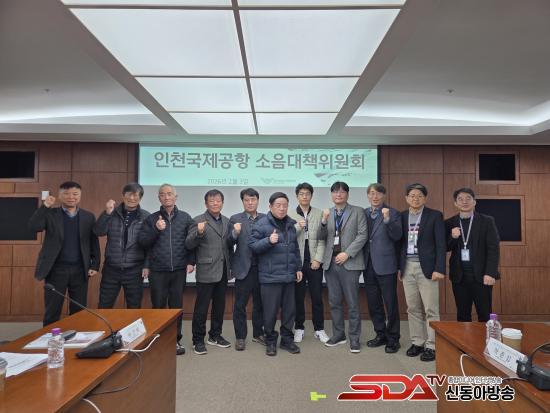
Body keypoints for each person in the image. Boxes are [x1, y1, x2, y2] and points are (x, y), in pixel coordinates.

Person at [28, 181, 100, 326]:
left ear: (80, 195)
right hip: (55, 269)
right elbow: (33, 226)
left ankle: (77, 337)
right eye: (66, 194)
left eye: (75, 194)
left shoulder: (88, 216)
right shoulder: (50, 213)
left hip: (80, 269)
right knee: (52, 310)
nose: (71, 197)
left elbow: (93, 242)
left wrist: (95, 264)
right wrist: (45, 206)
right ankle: (51, 337)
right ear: (60, 196)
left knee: (79, 310)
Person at [139, 184, 194, 355]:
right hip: (157, 270)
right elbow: (143, 243)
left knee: (176, 306)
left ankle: (175, 340)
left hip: (178, 269)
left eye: (169, 194)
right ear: (159, 198)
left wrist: (191, 261)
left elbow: (191, 243)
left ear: (176, 197)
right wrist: (156, 229)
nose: (166, 197)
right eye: (162, 194)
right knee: (158, 305)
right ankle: (158, 340)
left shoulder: (185, 218)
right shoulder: (152, 219)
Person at [249, 192, 303, 356]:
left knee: (289, 312)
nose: (282, 208)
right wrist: (268, 241)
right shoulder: (261, 224)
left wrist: (298, 268)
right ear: (270, 206)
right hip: (270, 277)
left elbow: (295, 249)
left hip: (289, 276)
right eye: (278, 205)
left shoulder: (291, 224)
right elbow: (253, 246)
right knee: (270, 313)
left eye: (284, 205)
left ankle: (287, 340)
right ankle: (271, 341)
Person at [317, 181, 367, 353]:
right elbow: (321, 236)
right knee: (334, 302)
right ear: (331, 195)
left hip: (350, 263)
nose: (338, 195)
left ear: (347, 194)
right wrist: (323, 221)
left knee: (352, 303)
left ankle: (354, 338)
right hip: (331, 263)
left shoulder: (358, 211)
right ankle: (339, 335)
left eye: (342, 192)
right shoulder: (328, 213)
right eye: (335, 192)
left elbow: (362, 235)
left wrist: (347, 253)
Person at [399, 183, 446, 362]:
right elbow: (400, 244)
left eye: (419, 195)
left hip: (427, 268)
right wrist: (400, 267)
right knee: (412, 308)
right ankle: (417, 342)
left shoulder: (435, 216)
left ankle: (432, 345)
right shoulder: (402, 216)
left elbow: (441, 244)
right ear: (406, 198)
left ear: (425, 198)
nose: (415, 199)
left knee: (431, 309)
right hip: (407, 267)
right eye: (412, 195)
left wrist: (439, 269)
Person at [186, 189, 233, 355]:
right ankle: (198, 340)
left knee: (219, 306)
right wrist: (199, 233)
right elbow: (188, 244)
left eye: (218, 200)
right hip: (206, 270)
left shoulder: (227, 221)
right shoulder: (198, 220)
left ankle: (215, 335)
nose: (215, 203)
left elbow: (228, 246)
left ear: (222, 203)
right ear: (206, 204)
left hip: (223, 270)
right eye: (211, 201)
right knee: (202, 307)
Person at [445, 188, 500, 322]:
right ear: (455, 203)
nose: (464, 202)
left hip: (482, 276)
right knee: (463, 315)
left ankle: (486, 337)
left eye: (468, 198)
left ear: (474, 202)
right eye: (460, 199)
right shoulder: (449, 223)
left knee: (485, 314)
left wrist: (490, 273)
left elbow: (493, 249)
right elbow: (445, 247)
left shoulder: (487, 221)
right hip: (459, 277)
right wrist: (453, 237)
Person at [94, 183, 150, 309]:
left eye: (135, 195)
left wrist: (147, 265)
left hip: (135, 270)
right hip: (111, 269)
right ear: (123, 195)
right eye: (129, 195)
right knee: (104, 306)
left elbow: (149, 244)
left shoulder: (146, 216)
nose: (132, 198)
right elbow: (98, 231)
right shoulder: (111, 213)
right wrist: (107, 213)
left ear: (140, 198)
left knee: (134, 307)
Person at [363, 183, 402, 353]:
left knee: (390, 303)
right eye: (372, 193)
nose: (375, 196)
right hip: (367, 264)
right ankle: (380, 334)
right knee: (374, 303)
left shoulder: (393, 213)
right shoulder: (363, 213)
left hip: (386, 265)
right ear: (368, 195)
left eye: (378, 193)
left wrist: (387, 220)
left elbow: (397, 235)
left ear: (384, 195)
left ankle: (393, 338)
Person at [288, 182, 328, 344]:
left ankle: (319, 329)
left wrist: (318, 259)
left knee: (317, 297)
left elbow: (323, 239)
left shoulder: (319, 213)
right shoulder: (289, 214)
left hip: (314, 261)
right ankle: (299, 328)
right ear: (297, 196)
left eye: (307, 194)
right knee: (298, 297)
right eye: (301, 194)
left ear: (311, 196)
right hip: (297, 262)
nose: (304, 196)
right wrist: (298, 227)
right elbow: (287, 237)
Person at [228, 188, 266, 351]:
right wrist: (235, 234)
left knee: (260, 304)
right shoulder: (235, 219)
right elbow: (228, 243)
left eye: (253, 199)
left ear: (258, 200)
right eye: (246, 200)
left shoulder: (266, 218)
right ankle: (240, 337)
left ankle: (258, 334)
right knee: (240, 305)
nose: (250, 203)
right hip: (243, 268)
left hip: (262, 269)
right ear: (243, 201)